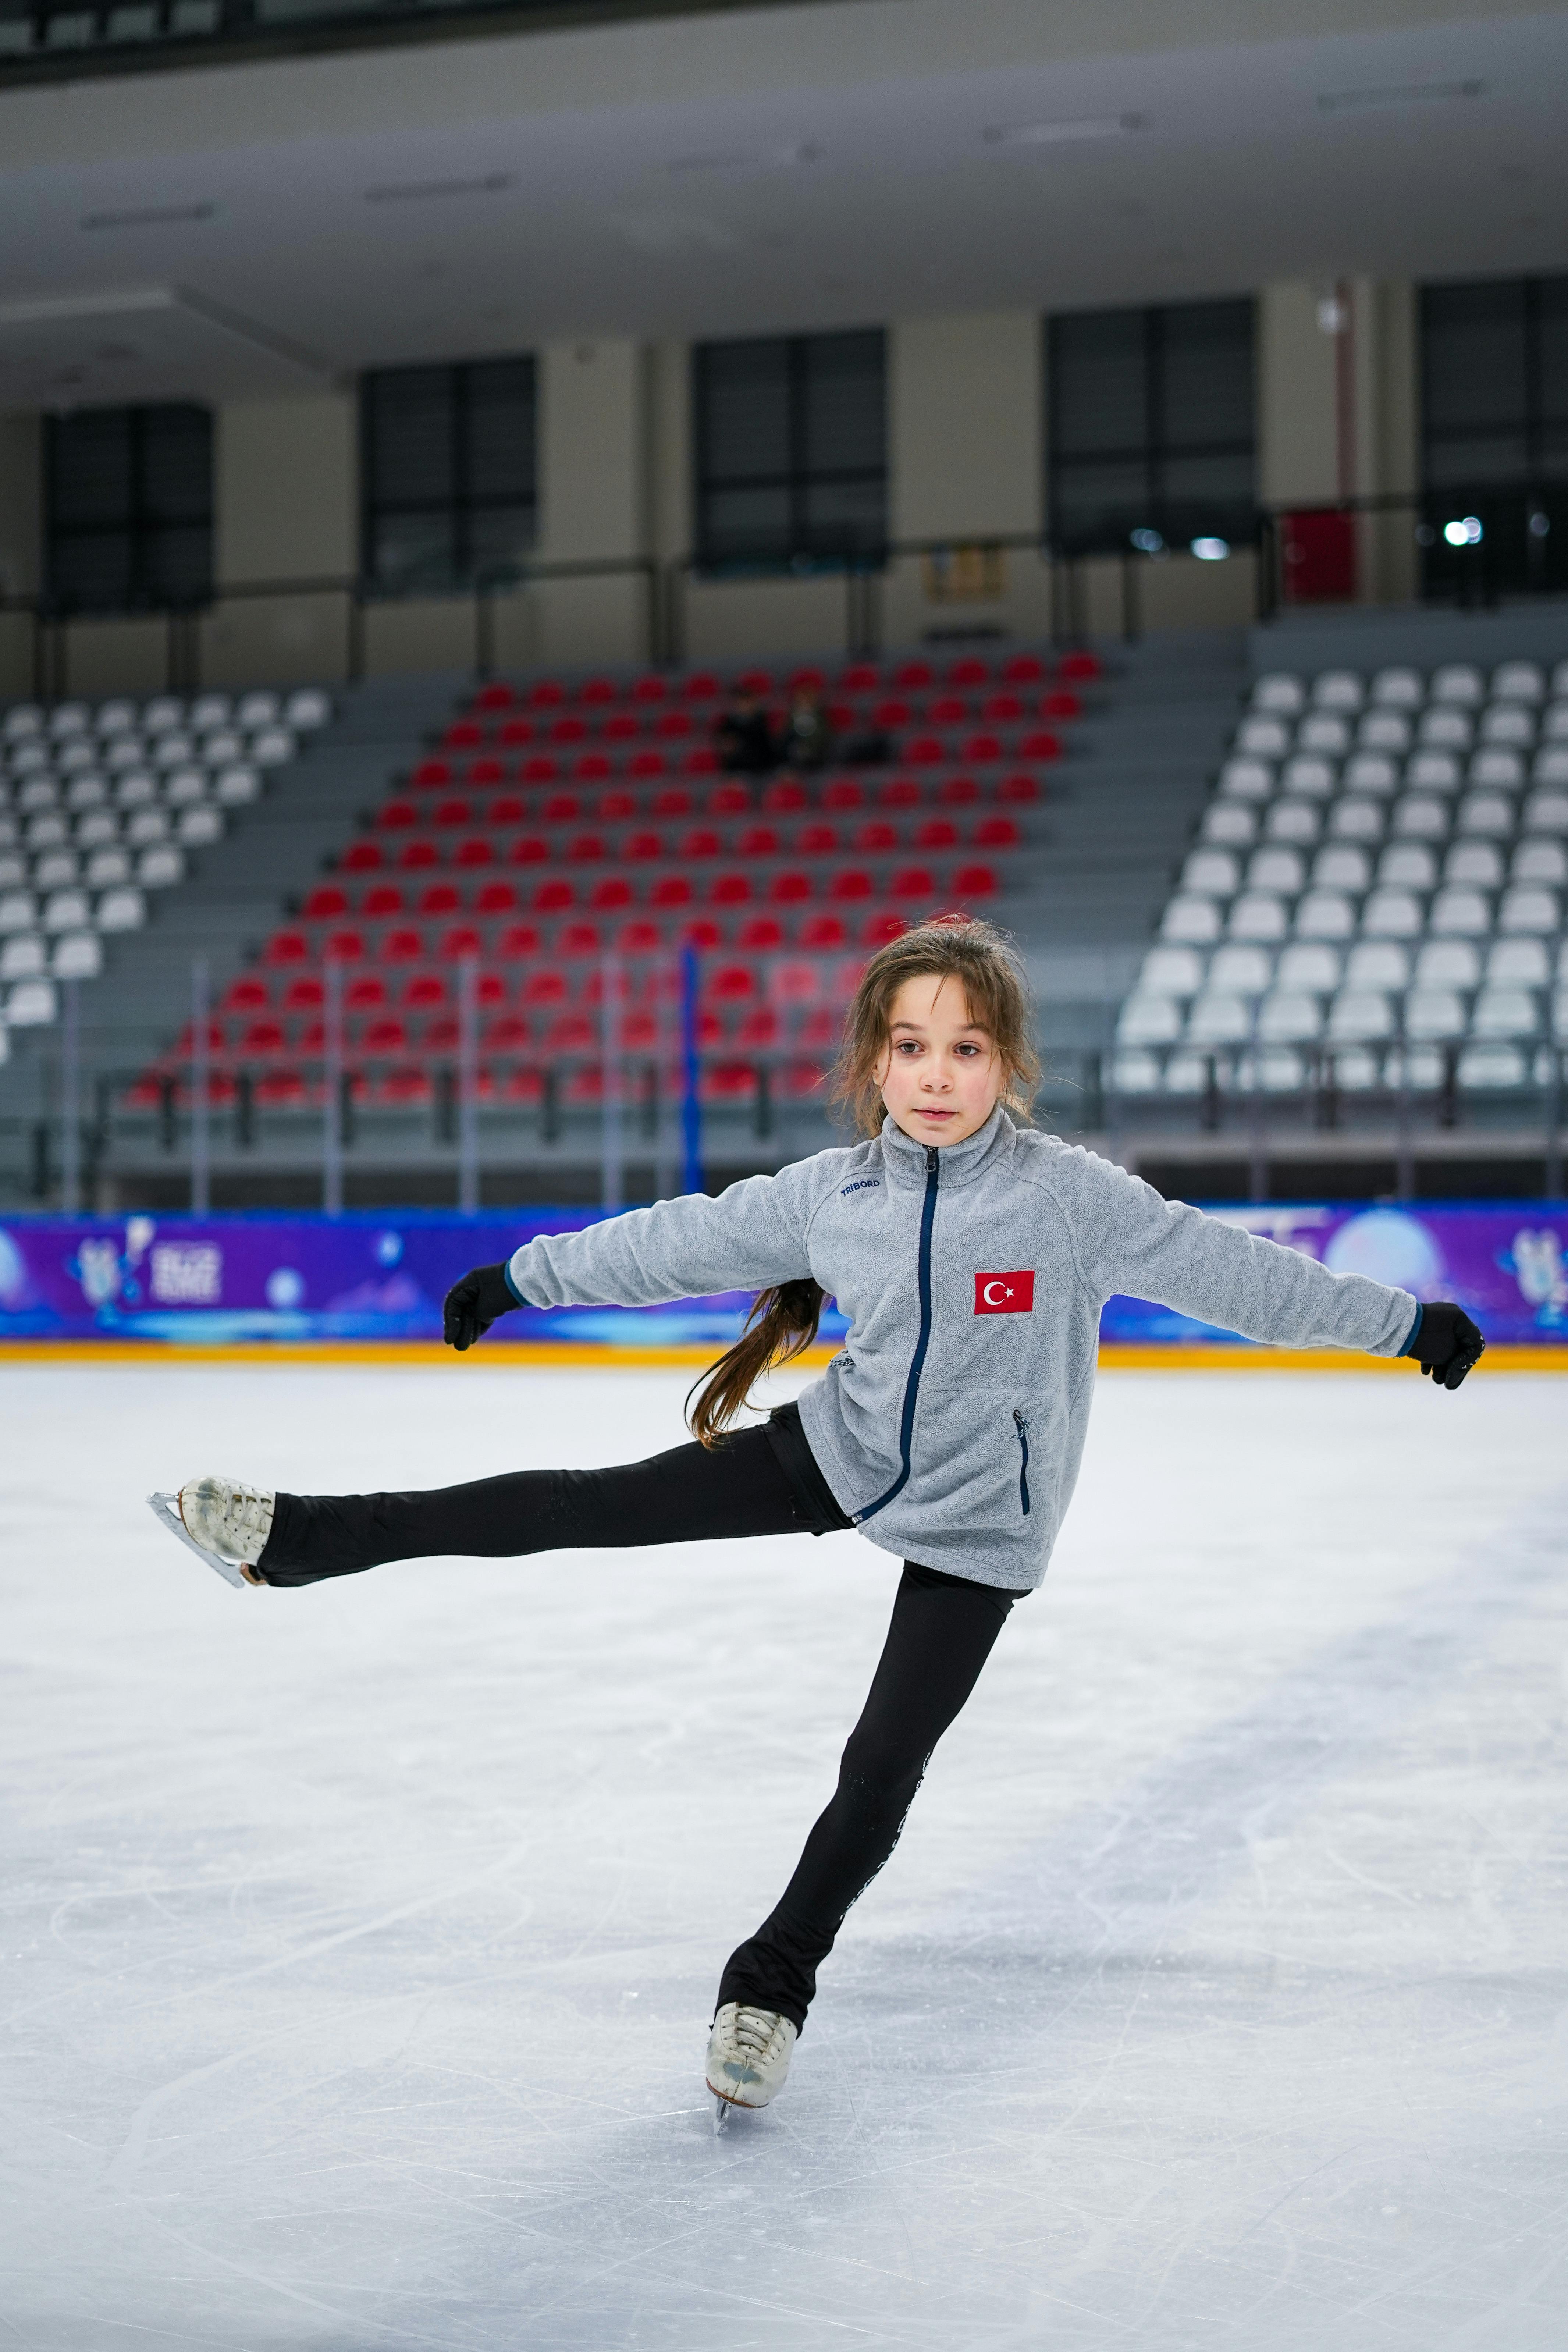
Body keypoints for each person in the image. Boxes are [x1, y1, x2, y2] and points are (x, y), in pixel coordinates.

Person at [162, 917, 1485, 2120]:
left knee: (877, 1766)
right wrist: (522, 1275)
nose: (934, 1072)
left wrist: (1397, 1323)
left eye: (964, 1048)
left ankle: (769, 1985)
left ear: (1005, 1064)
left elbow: (1235, 1275)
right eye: (909, 1044)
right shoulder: (833, 1193)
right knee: (580, 1504)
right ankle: (299, 1536)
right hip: (839, 1452)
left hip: (982, 1523)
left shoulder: (1069, 1201)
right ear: (872, 1059)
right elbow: (674, 1242)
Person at [714, 688, 777, 777]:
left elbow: (769, 748)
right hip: (736, 772)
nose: (745, 706)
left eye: (748, 702)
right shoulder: (729, 724)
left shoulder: (763, 723)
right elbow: (723, 745)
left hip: (762, 772)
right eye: (742, 703)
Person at [779, 682, 833, 771]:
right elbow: (786, 734)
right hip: (795, 751)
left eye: (807, 700)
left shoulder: (820, 716)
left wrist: (809, 746)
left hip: (816, 753)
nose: (804, 703)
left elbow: (823, 736)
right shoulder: (792, 716)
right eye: (801, 700)